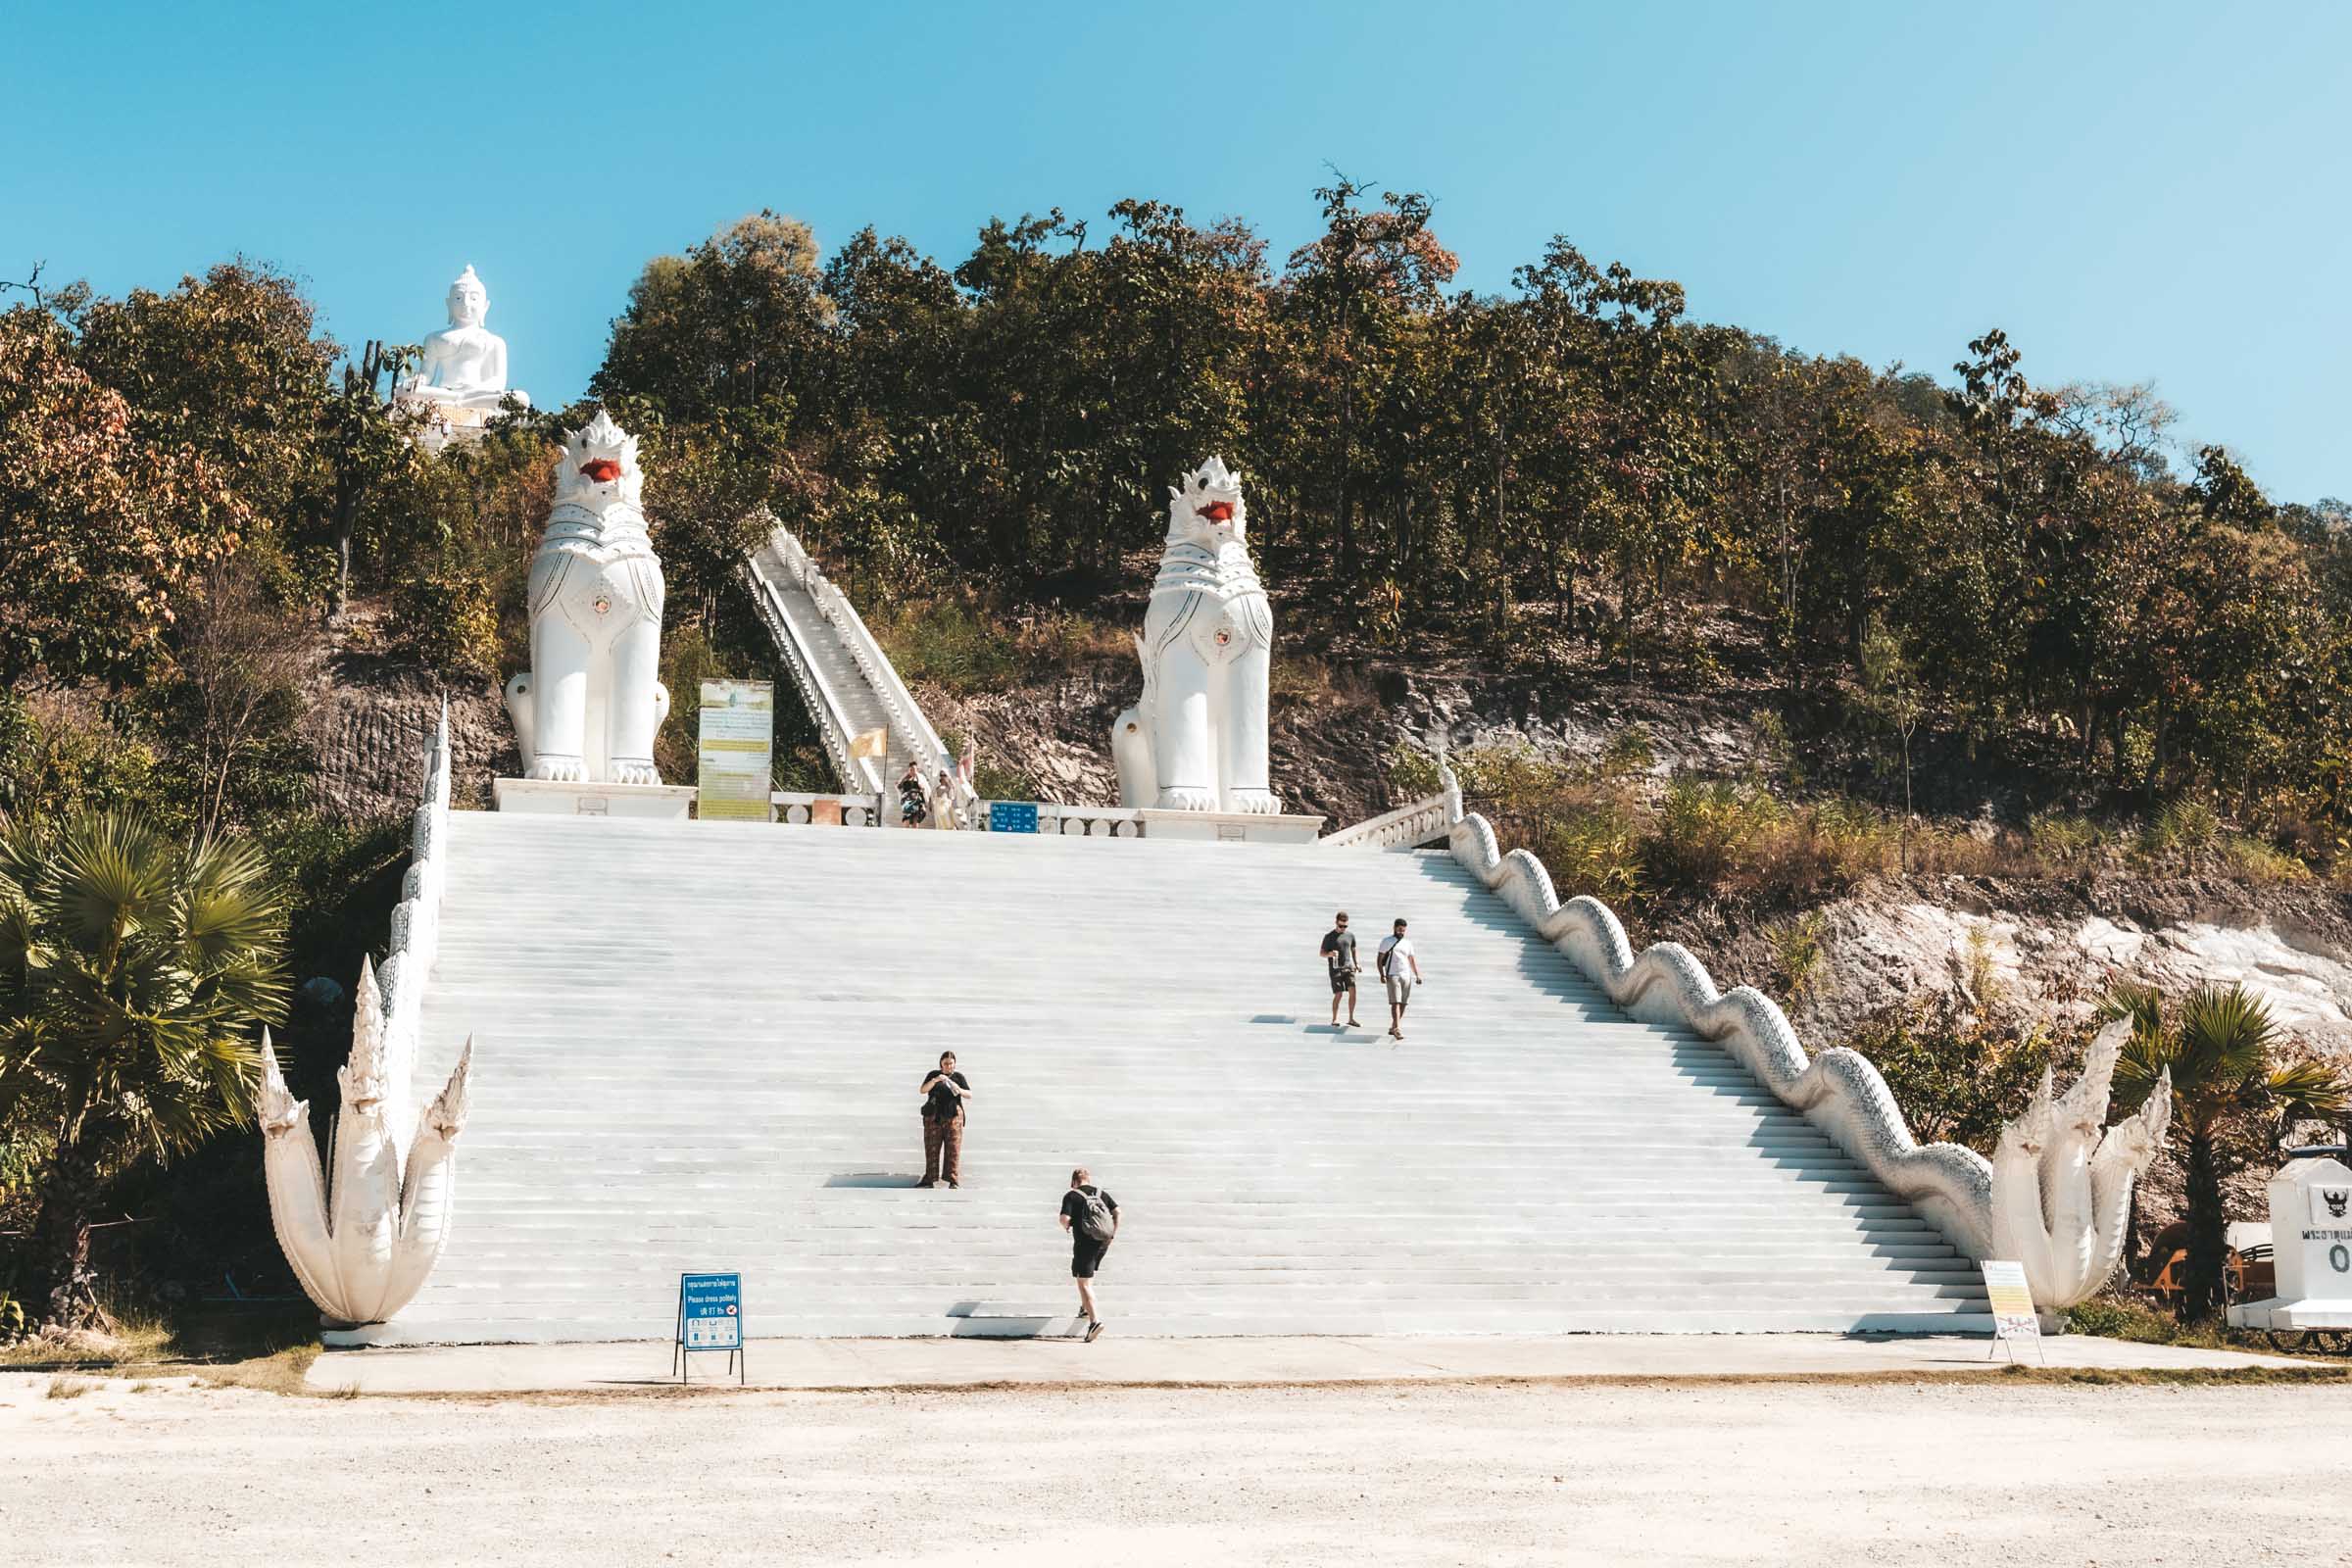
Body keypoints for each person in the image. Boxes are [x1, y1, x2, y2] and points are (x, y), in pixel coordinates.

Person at [1058, 1167, 1119, 1341]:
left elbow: (1064, 1219)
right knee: (1087, 1276)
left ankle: (1094, 1321)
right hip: (1103, 1241)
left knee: (1083, 1283)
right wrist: (1113, 1231)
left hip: (1085, 1243)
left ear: (1074, 1181)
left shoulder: (1072, 1195)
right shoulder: (1101, 1193)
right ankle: (1085, 1308)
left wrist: (1067, 1227)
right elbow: (1118, 1212)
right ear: (1088, 1179)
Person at [919, 1052, 970, 1188]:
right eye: (945, 1063)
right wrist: (935, 1080)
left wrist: (958, 1088)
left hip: (953, 1116)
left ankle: (953, 1180)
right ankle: (929, 1179)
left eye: (951, 1063)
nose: (948, 1066)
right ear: (941, 1063)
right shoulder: (933, 1075)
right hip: (934, 1116)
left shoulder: (958, 1077)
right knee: (931, 1147)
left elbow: (969, 1094)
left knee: (953, 1148)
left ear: (954, 1064)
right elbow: (923, 1090)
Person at [1377, 918, 1425, 1040]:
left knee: (1404, 1003)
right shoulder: (1386, 941)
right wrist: (1382, 974)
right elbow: (1379, 959)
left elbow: (1411, 960)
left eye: (1403, 930)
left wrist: (1417, 974)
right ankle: (1397, 1028)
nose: (1401, 932)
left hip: (1406, 975)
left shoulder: (1408, 943)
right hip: (1393, 974)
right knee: (1395, 1002)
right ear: (1394, 927)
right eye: (1399, 929)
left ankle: (1393, 1027)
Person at [1318, 911, 1362, 1029]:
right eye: (1341, 925)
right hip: (1335, 969)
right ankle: (1334, 1018)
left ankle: (1351, 1018)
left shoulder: (1350, 936)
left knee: (1353, 991)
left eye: (1345, 926)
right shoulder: (1329, 937)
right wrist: (1330, 954)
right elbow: (1321, 953)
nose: (1343, 928)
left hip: (1349, 967)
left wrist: (1357, 963)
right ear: (1336, 923)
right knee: (1339, 994)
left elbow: (1353, 950)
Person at [898, 762, 929, 828]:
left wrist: (923, 804)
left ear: (916, 770)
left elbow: (923, 791)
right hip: (907, 803)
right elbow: (899, 787)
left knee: (915, 821)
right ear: (909, 770)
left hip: (916, 803)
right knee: (906, 820)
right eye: (911, 769)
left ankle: (914, 836)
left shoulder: (920, 779)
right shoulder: (905, 779)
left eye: (914, 769)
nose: (912, 771)